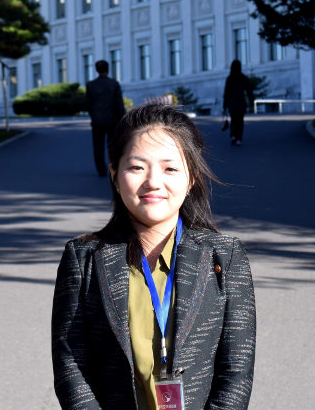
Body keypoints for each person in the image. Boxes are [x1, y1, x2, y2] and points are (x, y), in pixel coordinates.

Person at [52, 104, 256, 409]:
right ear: (114, 174)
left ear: (191, 179)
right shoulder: (84, 259)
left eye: (170, 168)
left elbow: (236, 373)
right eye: (137, 167)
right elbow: (71, 366)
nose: (153, 182)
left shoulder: (224, 258)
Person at [85, 59, 125, 177]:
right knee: (112, 146)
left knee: (98, 146)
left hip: (97, 121)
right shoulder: (114, 84)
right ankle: (113, 168)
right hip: (113, 121)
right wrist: (122, 119)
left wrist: (93, 115)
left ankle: (101, 170)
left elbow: (87, 104)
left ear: (96, 70)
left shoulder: (91, 85)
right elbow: (119, 104)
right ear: (108, 69)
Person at [223, 60, 253, 146]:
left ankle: (233, 136)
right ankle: (239, 138)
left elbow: (226, 93)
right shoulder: (243, 78)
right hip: (241, 103)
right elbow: (249, 91)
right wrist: (251, 102)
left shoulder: (229, 78)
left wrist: (224, 106)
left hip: (232, 103)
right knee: (240, 121)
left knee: (233, 120)